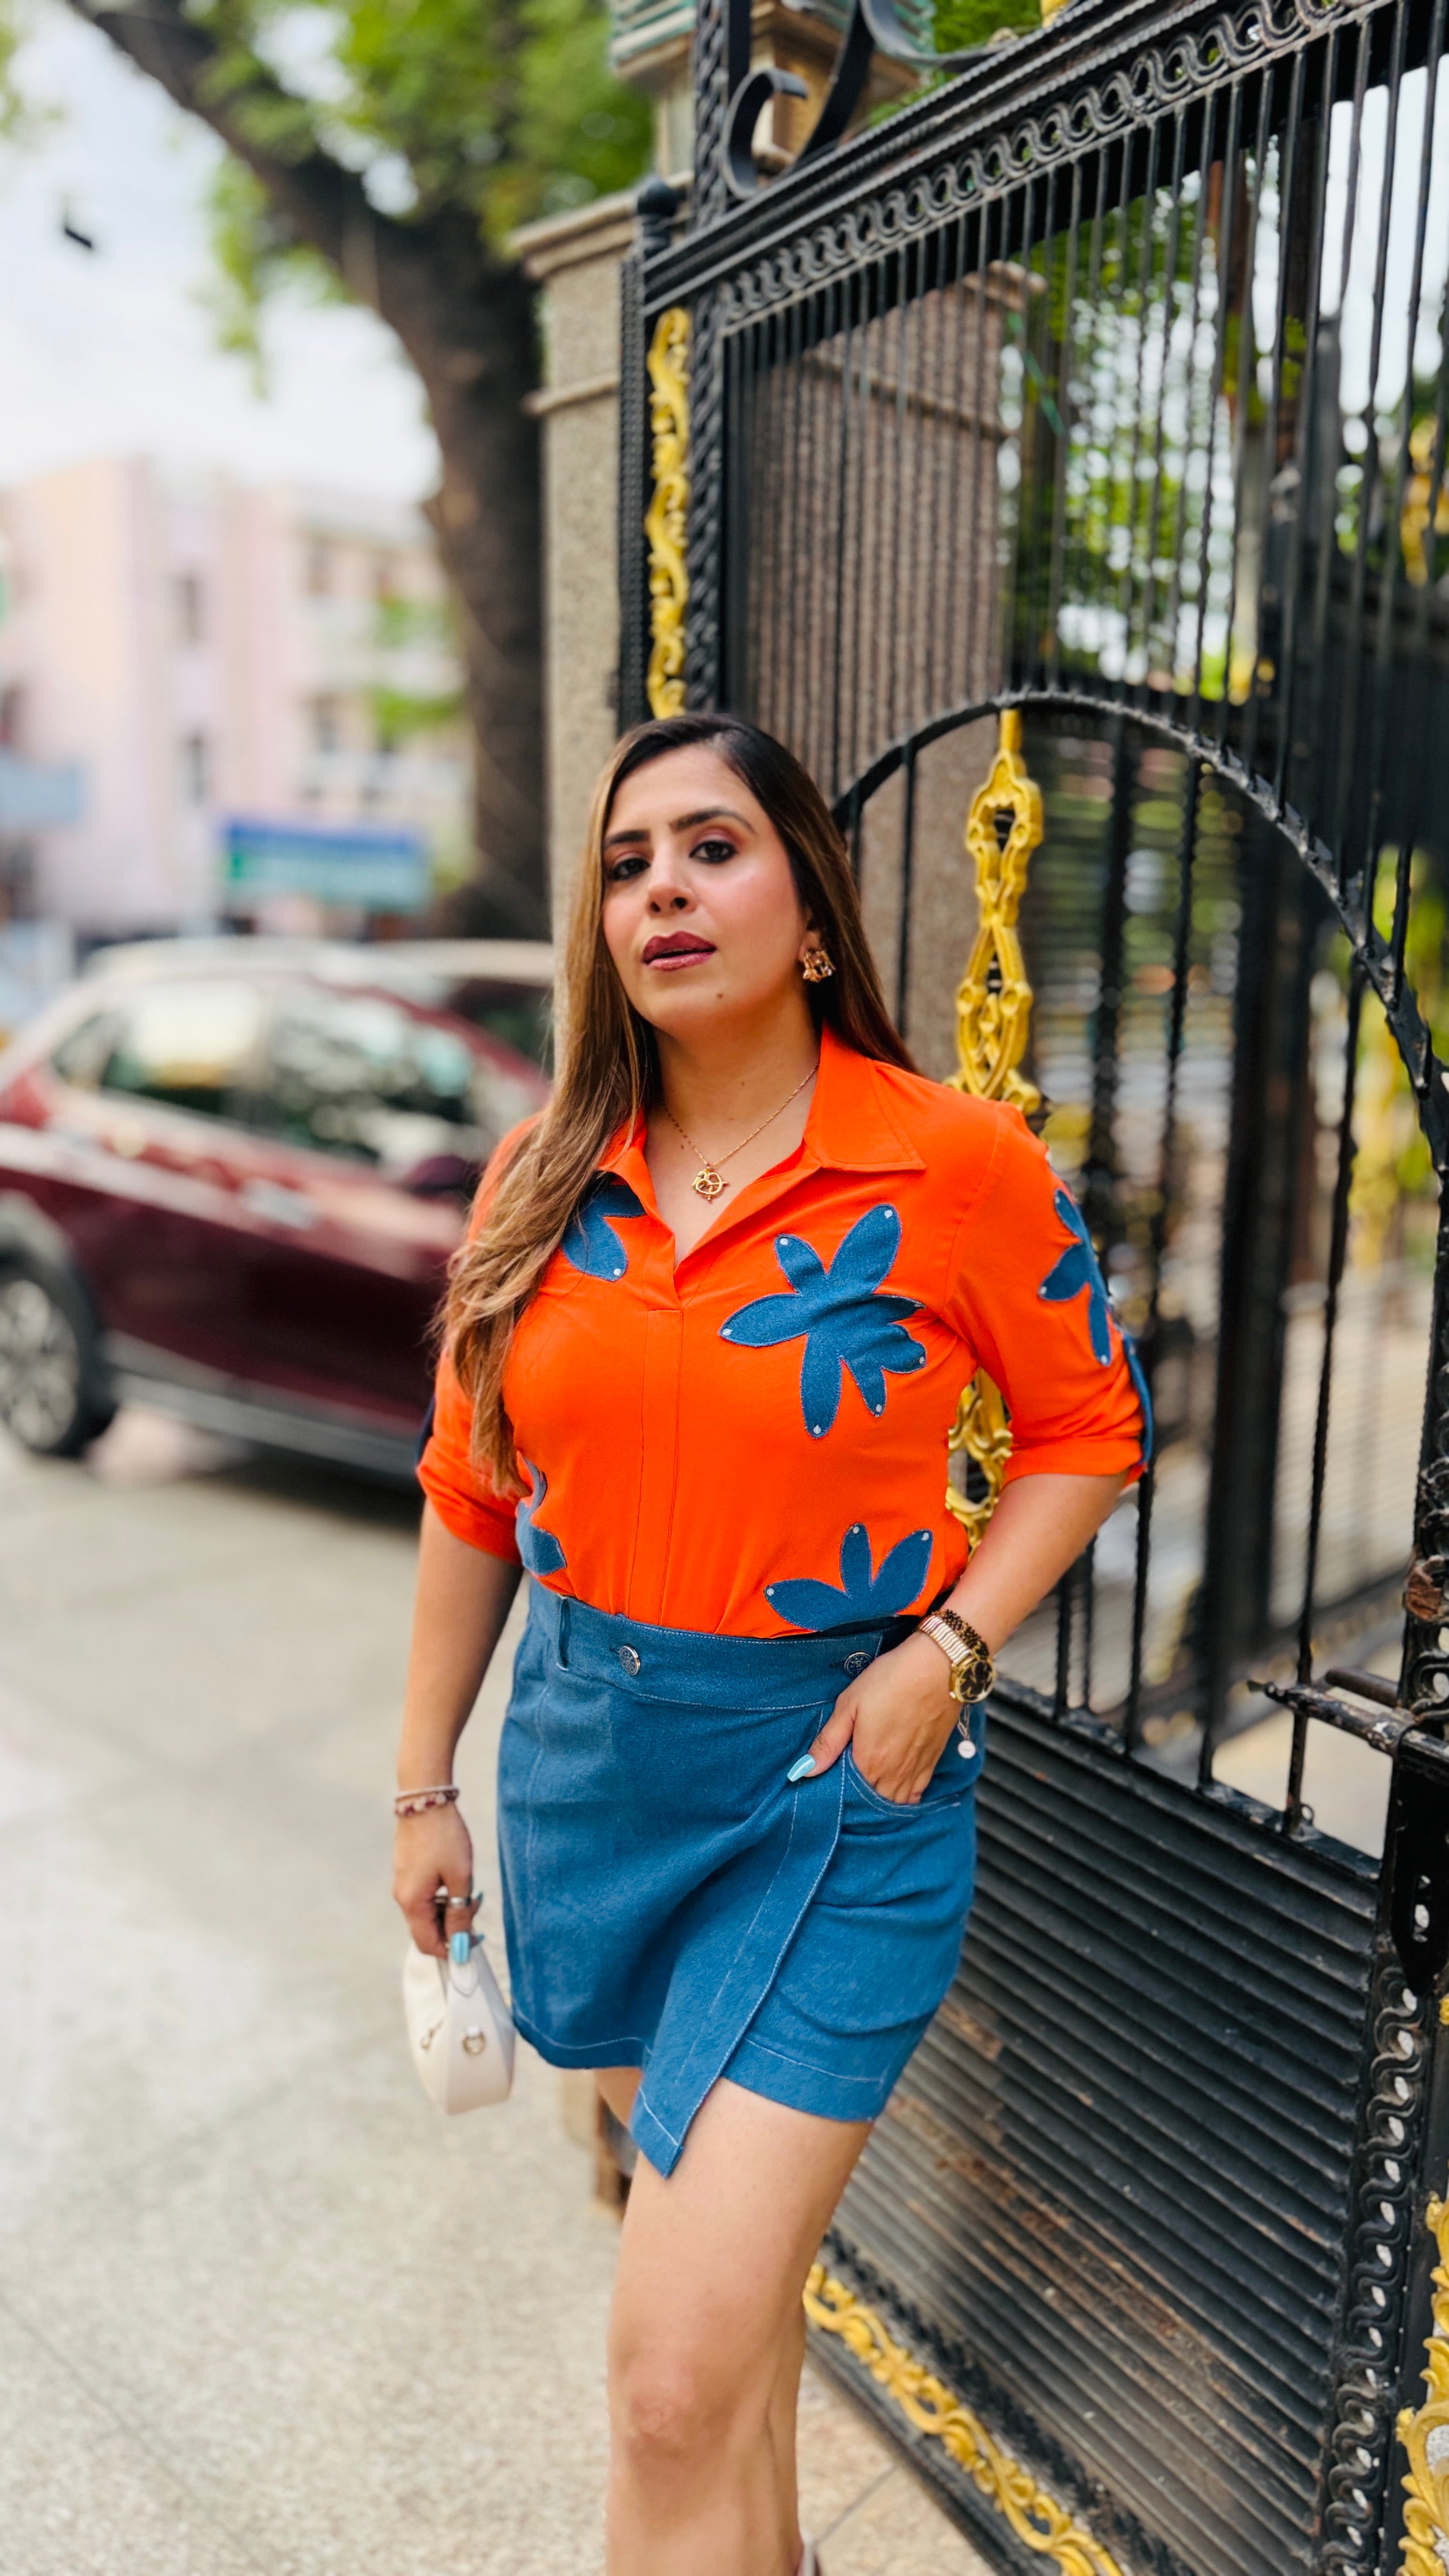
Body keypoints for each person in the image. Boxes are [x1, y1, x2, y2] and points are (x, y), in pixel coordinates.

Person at [392, 712, 1146, 2576]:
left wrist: (944, 1657)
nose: (661, 883)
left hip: (834, 1792)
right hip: (592, 1775)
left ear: (809, 907)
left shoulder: (953, 1164)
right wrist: (421, 1786)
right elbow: (469, 1490)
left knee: (663, 2375)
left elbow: (1086, 1430)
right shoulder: (540, 1177)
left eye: (711, 845)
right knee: (723, 2338)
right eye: (627, 857)